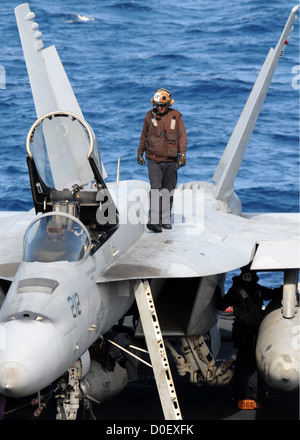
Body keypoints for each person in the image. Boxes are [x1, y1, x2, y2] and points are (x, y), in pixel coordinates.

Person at [215, 265, 282, 407]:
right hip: (243, 329)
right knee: (247, 362)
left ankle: (248, 391)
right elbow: (221, 305)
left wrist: (283, 289)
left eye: (250, 275)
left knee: (249, 361)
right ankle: (248, 392)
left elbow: (270, 294)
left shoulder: (257, 289)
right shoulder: (236, 290)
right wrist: (216, 291)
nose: (248, 278)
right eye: (246, 275)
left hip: (253, 329)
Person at [137, 88, 187, 232]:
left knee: (168, 190)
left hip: (171, 160)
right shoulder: (149, 116)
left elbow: (182, 136)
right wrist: (140, 152)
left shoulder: (176, 116)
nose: (159, 108)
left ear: (168, 104)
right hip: (153, 159)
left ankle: (165, 220)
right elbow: (144, 135)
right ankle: (154, 221)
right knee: (155, 189)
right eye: (157, 105)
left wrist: (182, 155)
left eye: (162, 105)